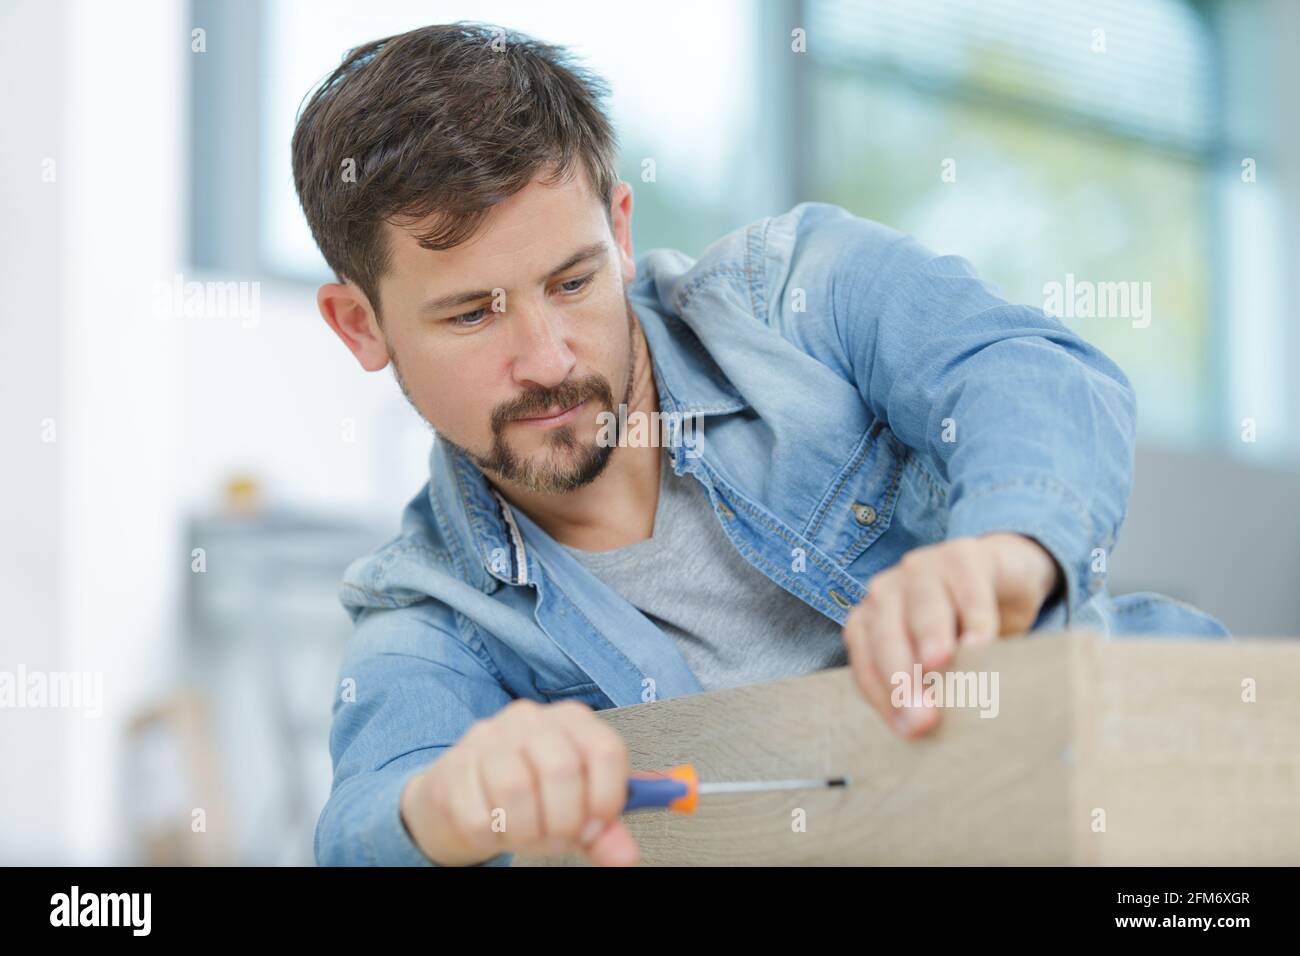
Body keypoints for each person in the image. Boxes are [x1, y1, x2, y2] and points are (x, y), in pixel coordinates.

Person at [291, 22, 1229, 868]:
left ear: (619, 233)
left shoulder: (788, 298)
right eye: (470, 314)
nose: (546, 360)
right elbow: (371, 816)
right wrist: (450, 810)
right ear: (359, 326)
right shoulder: (431, 616)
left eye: (572, 282)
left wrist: (1006, 551)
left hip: (1171, 787)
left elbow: (1022, 366)